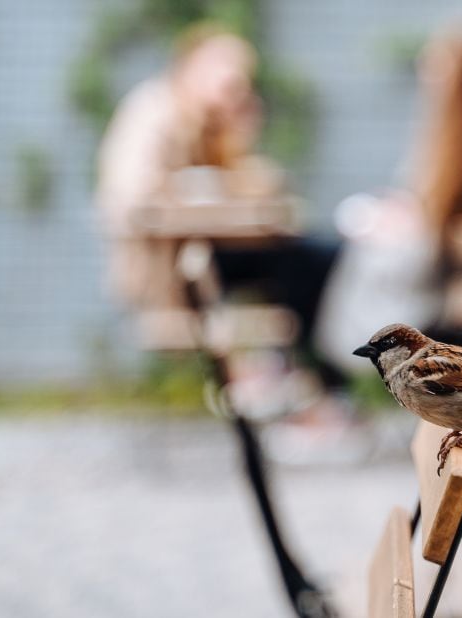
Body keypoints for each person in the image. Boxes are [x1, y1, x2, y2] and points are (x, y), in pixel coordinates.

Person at [97, 23, 344, 390]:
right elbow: (133, 196)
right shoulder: (154, 112)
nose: (235, 89)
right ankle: (317, 383)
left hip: (217, 255)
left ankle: (303, 379)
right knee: (309, 261)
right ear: (191, 68)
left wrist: (242, 133)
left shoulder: (214, 121)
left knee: (317, 255)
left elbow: (259, 187)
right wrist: (209, 191)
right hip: (173, 268)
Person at [316, 23, 462, 372]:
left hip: (441, 307)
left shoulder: (459, 157)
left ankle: (326, 391)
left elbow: (433, 247)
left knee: (305, 259)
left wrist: (397, 223)